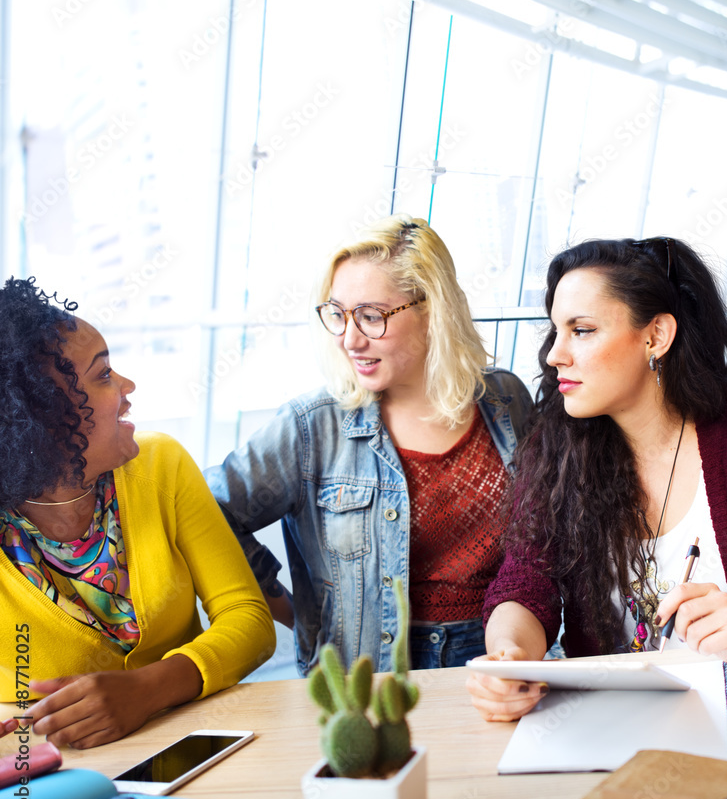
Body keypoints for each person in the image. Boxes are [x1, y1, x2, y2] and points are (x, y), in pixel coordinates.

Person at [467, 237, 727, 722]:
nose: (555, 355)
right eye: (556, 332)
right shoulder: (557, 443)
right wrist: (509, 657)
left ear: (655, 336)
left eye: (583, 331)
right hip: (610, 722)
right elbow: (525, 584)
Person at [205, 215, 532, 675]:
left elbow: (541, 544)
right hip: (370, 676)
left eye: (372, 317)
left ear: (433, 310)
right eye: (338, 314)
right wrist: (299, 613)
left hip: (495, 658)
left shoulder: (506, 401)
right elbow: (208, 509)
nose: (349, 339)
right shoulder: (311, 427)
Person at [0, 278, 275, 748]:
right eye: (103, 375)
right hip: (52, 771)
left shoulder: (160, 465)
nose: (128, 387)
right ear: (42, 415)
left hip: (190, 745)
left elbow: (248, 619)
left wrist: (148, 690)